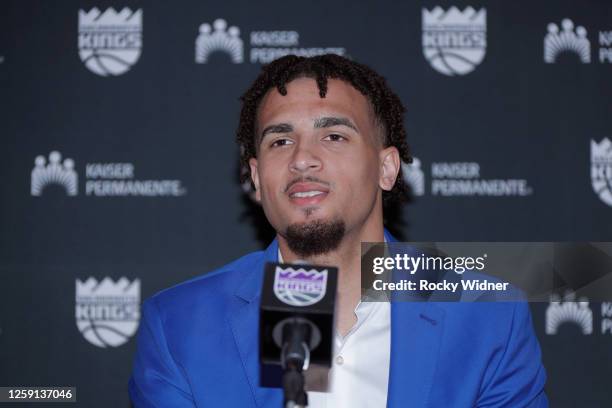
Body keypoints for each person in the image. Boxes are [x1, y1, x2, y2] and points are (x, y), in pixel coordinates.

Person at [128, 54, 548, 407]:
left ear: (387, 168)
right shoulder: (178, 326)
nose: (302, 159)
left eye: (333, 135)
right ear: (256, 178)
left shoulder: (488, 317)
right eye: (279, 141)